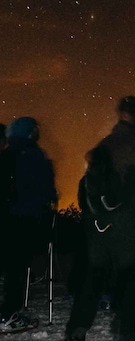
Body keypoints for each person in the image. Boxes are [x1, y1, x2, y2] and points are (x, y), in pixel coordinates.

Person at [66, 95, 135, 341]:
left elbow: (87, 188)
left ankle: (77, 328)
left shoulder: (105, 145)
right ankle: (126, 333)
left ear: (120, 114)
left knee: (94, 276)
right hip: (130, 223)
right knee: (129, 281)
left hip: (99, 225)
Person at [0, 118, 57, 334]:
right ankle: (8, 315)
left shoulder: (5, 153)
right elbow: (46, 190)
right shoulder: (34, 155)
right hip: (24, 220)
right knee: (16, 270)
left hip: (4, 218)